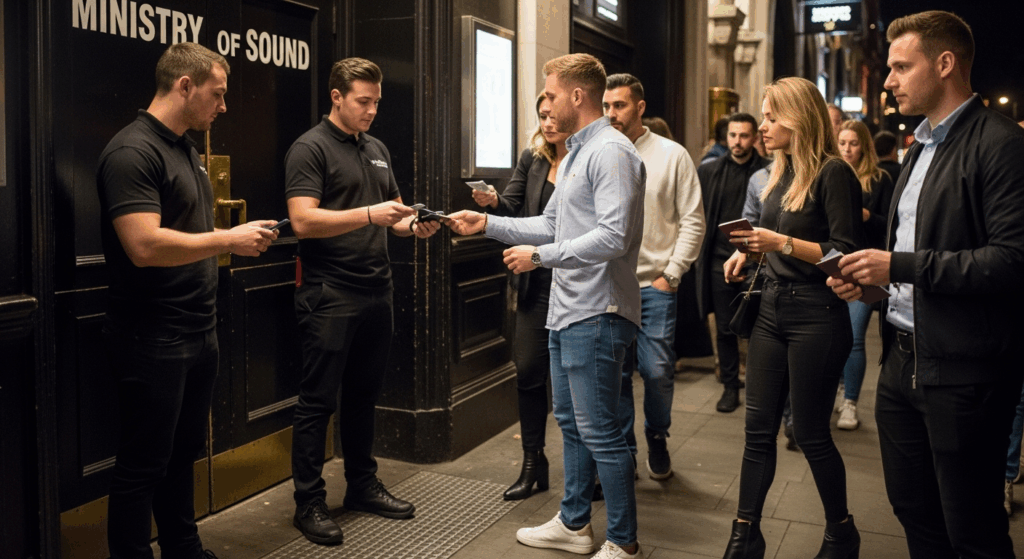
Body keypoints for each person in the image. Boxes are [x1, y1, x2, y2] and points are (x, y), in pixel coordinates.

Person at [828, 11, 1024, 558]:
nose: (889, 80)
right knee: (915, 514)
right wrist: (871, 284)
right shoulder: (918, 148)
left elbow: (1012, 261)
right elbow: (913, 251)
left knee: (974, 531)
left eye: (901, 67)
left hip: (965, 372)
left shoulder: (1000, 143)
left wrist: (898, 267)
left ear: (944, 64)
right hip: (900, 363)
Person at [447, 53, 647, 559]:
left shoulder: (612, 152)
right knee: (573, 425)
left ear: (577, 96)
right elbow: (552, 223)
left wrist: (540, 257)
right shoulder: (577, 153)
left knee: (601, 432)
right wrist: (486, 224)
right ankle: (575, 524)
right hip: (567, 309)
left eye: (552, 95)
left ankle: (623, 542)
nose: (546, 105)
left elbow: (614, 236)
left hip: (598, 311)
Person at [97, 42, 278, 559]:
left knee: (182, 455)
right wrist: (228, 238)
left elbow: (186, 235)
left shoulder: (185, 150)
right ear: (185, 86)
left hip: (198, 329)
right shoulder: (132, 152)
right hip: (151, 335)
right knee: (143, 464)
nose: (223, 106)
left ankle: (184, 548)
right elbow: (143, 245)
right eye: (216, 94)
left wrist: (234, 236)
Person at [284, 57, 441, 546]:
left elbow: (392, 214)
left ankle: (361, 485)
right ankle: (309, 501)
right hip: (330, 292)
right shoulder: (310, 148)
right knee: (317, 402)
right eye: (363, 101)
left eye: (376, 102)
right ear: (337, 96)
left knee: (362, 397)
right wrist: (371, 214)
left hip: (377, 289)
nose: (372, 110)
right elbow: (303, 220)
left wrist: (413, 224)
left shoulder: (376, 149)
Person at [721, 77, 863, 558]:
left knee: (810, 433)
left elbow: (844, 254)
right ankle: (745, 535)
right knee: (757, 430)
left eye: (770, 117)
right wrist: (747, 253)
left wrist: (780, 243)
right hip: (771, 309)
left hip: (816, 315)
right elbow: (773, 239)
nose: (762, 126)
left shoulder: (833, 173)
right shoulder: (778, 173)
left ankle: (841, 532)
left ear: (798, 118)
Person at [603, 73, 705, 480]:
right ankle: (626, 450)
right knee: (616, 374)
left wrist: (672, 274)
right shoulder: (599, 152)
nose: (611, 113)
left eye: (620, 105)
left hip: (655, 285)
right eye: (606, 106)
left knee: (657, 370)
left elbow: (692, 220)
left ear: (640, 107)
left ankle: (657, 434)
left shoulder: (671, 154)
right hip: (609, 285)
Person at [470, 92, 569, 501]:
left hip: (573, 281)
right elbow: (515, 208)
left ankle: (595, 467)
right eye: (542, 116)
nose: (547, 123)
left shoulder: (585, 160)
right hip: (534, 282)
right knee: (528, 371)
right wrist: (493, 202)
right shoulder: (534, 158)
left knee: (574, 384)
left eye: (553, 115)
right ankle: (533, 462)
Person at [694, 112, 769, 414]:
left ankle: (761, 388)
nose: (737, 142)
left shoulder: (766, 172)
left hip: (757, 260)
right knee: (724, 329)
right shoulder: (709, 170)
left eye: (744, 136)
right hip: (719, 259)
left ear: (755, 138)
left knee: (760, 328)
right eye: (733, 135)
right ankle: (729, 386)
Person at [833, 120, 895, 431]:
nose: (847, 149)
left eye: (853, 143)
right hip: (833, 264)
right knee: (834, 334)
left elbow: (892, 227)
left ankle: (851, 402)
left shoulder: (880, 179)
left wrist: (868, 215)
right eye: (842, 143)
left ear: (864, 146)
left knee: (855, 336)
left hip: (865, 267)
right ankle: (839, 387)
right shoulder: (830, 173)